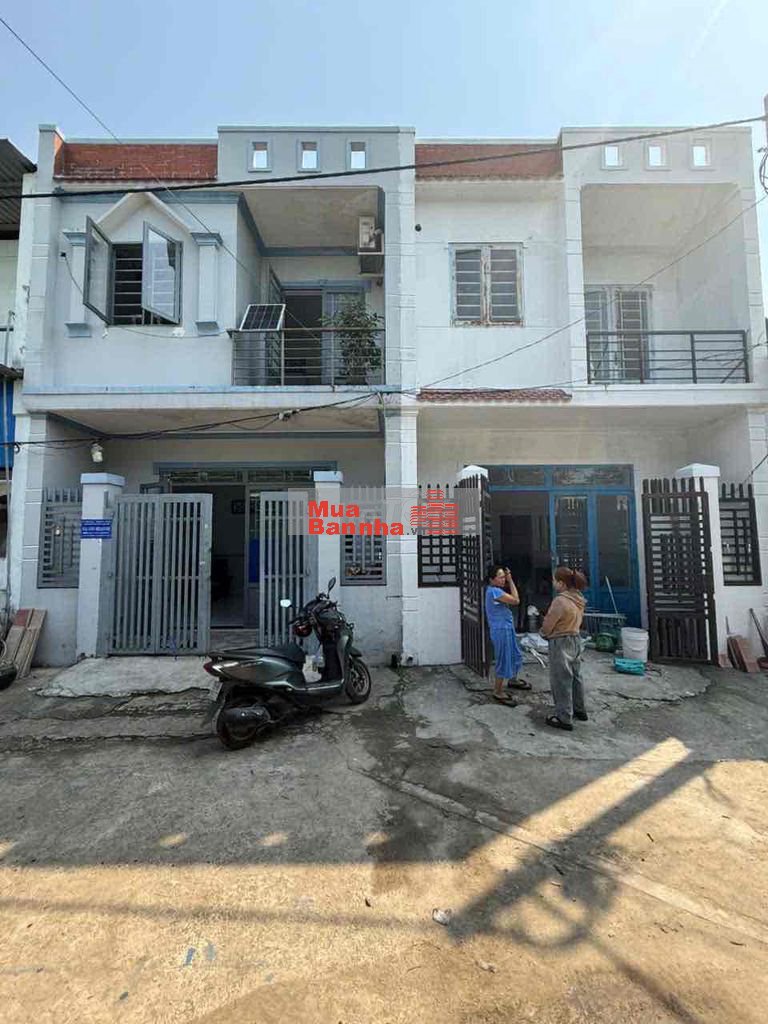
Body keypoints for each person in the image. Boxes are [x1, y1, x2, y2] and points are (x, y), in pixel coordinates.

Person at [540, 566, 588, 731]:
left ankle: (564, 717)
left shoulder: (560, 601)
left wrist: (543, 633)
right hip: (575, 638)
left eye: (554, 580)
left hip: (560, 641)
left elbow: (549, 623)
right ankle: (579, 709)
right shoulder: (579, 598)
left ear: (561, 583)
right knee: (576, 676)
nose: (553, 583)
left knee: (561, 679)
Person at [484, 565, 530, 705]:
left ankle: (513, 679)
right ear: (492, 579)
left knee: (514, 654)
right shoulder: (494, 592)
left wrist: (508, 580)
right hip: (501, 630)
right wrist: (511, 581)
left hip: (507, 627)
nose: (503, 579)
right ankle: (497, 691)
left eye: (504, 577)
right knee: (503, 659)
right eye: (500, 577)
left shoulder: (496, 590)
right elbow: (516, 600)